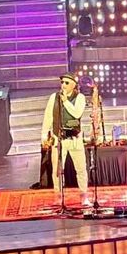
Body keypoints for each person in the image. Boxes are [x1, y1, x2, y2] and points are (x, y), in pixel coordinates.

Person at [41, 73, 89, 204]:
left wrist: (66, 101)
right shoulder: (54, 97)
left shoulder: (80, 97)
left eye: (67, 83)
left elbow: (76, 113)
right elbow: (48, 117)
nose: (63, 85)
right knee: (57, 169)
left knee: (81, 168)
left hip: (75, 138)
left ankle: (84, 195)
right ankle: (58, 196)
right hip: (59, 138)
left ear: (74, 85)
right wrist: (44, 135)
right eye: (62, 82)